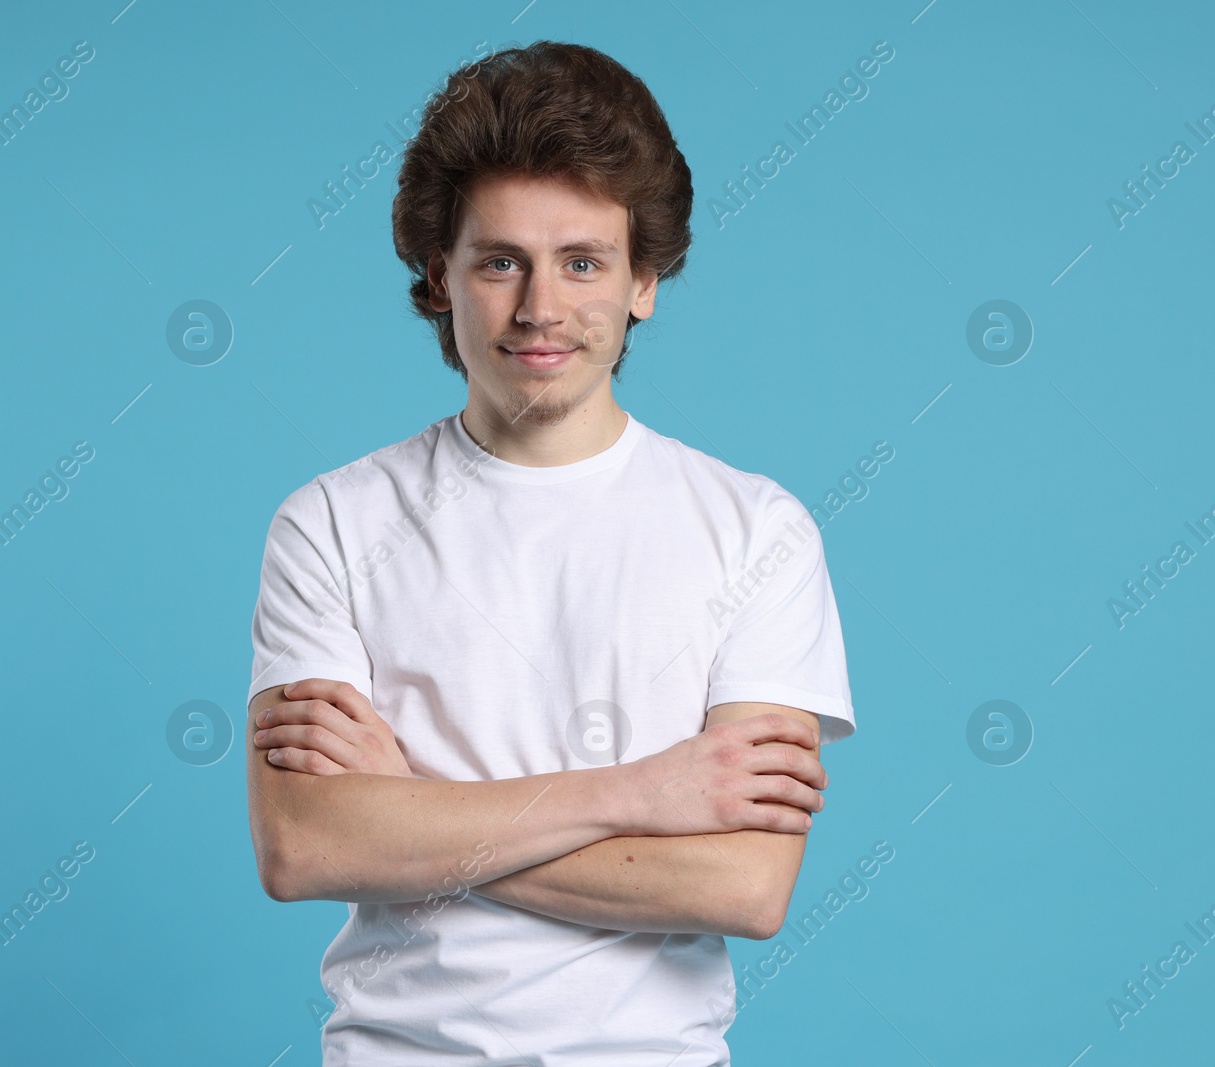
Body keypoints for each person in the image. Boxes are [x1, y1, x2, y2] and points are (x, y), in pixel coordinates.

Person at [243, 40, 855, 1066]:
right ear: (440, 278)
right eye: (499, 261)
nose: (540, 307)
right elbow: (305, 846)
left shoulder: (759, 530)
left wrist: (411, 815)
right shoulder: (330, 521)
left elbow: (745, 885)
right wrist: (642, 792)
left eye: (582, 261)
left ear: (643, 280)